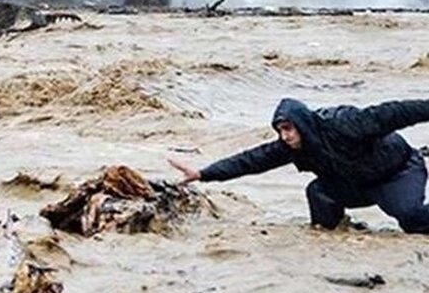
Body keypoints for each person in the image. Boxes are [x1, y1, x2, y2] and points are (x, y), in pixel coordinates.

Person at [168, 98, 429, 234]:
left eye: (288, 129)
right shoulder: (291, 147)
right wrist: (203, 173)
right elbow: (250, 160)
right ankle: (335, 232)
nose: (284, 136)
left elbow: (395, 112)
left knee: (410, 219)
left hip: (398, 173)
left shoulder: (344, 123)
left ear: (301, 124)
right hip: (357, 184)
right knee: (318, 191)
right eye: (280, 130)